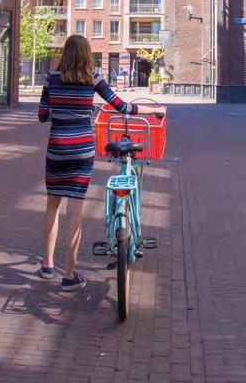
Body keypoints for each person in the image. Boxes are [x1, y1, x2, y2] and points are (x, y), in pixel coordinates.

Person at [37, 35, 163, 291]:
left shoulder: (51, 79)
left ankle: (47, 265)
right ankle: (69, 275)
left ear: (64, 54)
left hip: (57, 149)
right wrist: (152, 111)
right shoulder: (93, 79)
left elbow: (42, 116)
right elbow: (122, 106)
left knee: (53, 206)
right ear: (86, 54)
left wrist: (62, 110)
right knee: (75, 210)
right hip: (82, 150)